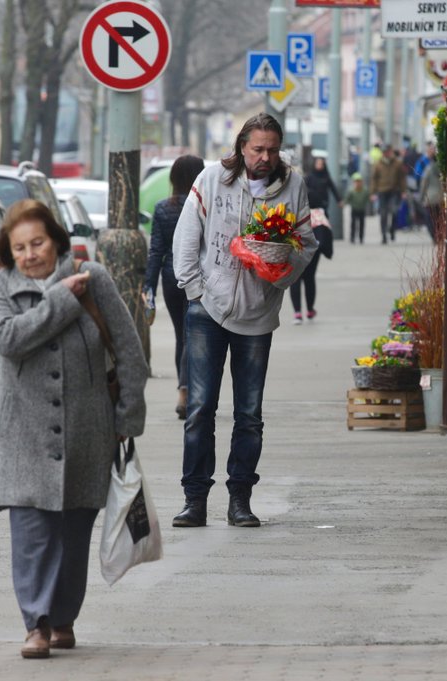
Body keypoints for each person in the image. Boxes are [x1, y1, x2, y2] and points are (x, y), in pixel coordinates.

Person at [0, 200, 148, 659]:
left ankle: (63, 619)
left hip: (87, 430)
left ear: (55, 240)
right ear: (9, 252)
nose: (30, 253)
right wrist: (59, 299)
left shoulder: (93, 279)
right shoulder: (0, 287)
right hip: (26, 435)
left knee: (74, 535)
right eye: (20, 247)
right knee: (32, 534)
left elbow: (129, 350)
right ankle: (35, 624)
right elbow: (8, 340)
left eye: (37, 243)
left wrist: (128, 418)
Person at [172, 113, 317, 528]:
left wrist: (280, 278)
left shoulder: (293, 186)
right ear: (241, 147)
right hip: (208, 309)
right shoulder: (212, 180)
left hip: (258, 314)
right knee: (200, 408)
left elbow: (306, 244)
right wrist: (194, 291)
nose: (265, 157)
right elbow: (187, 237)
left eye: (272, 149)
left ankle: (240, 500)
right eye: (258, 149)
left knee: (249, 413)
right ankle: (195, 500)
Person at [143, 155, 205, 419]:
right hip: (200, 278)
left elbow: (156, 250)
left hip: (171, 278)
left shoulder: (161, 208)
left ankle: (185, 390)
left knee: (182, 334)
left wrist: (148, 286)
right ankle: (191, 392)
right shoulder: (205, 206)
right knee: (197, 335)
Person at [291, 157, 339, 324]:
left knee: (294, 278)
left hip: (294, 249)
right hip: (312, 250)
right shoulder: (319, 215)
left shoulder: (291, 211)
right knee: (309, 278)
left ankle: (297, 313)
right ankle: (310, 309)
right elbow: (326, 235)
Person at [370, 145, 407, 244]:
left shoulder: (397, 163)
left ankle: (392, 230)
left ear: (390, 152)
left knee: (394, 212)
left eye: (387, 151)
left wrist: (404, 191)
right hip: (382, 191)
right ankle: (383, 235)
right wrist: (373, 193)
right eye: (384, 152)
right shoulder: (377, 164)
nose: (385, 153)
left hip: (394, 191)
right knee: (383, 214)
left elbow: (402, 178)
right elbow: (374, 179)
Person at [418, 145, 444, 243]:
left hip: (430, 199)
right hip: (440, 197)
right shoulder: (442, 169)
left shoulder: (428, 169)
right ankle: (439, 236)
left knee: (430, 219)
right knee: (439, 218)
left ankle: (434, 237)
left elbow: (423, 184)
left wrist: (421, 197)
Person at [344, 172, 370, 244]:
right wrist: (344, 203)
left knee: (362, 224)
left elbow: (368, 198)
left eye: (359, 181)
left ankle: (361, 237)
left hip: (362, 209)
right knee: (353, 224)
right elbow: (347, 199)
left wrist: (370, 199)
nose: (358, 183)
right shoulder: (351, 191)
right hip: (354, 209)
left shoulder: (365, 190)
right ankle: (352, 237)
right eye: (356, 182)